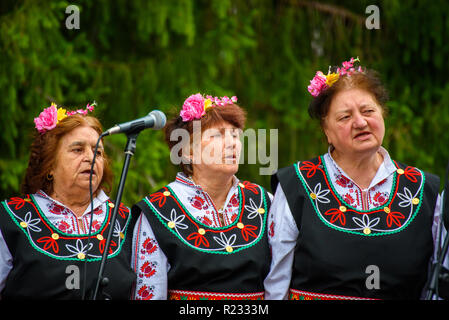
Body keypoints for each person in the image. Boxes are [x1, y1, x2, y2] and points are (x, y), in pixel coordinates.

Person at [264, 58, 441, 300]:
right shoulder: (297, 186)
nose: (360, 122)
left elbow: (437, 284)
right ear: (327, 131)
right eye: (344, 117)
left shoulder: (424, 190)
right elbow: (276, 284)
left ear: (383, 114)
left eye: (368, 111)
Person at [132, 93, 272, 300]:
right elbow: (149, 294)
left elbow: (279, 284)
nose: (232, 143)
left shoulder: (264, 201)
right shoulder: (158, 210)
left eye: (235, 135)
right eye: (218, 135)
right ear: (187, 151)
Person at [0, 102, 136, 299]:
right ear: (50, 166)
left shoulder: (125, 220)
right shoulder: (11, 219)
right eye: (77, 150)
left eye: (97, 152)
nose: (90, 157)